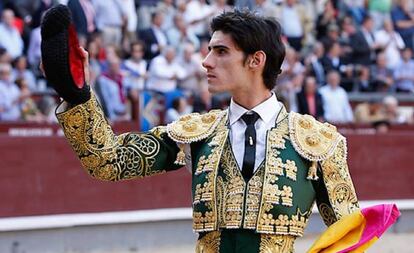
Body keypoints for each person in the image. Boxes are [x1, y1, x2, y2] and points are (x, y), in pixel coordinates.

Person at [41, 6, 361, 252]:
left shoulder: (318, 142)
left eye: (221, 52)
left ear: (256, 60)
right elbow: (108, 161)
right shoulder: (197, 132)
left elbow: (351, 238)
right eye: (209, 50)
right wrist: (77, 93)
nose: (206, 61)